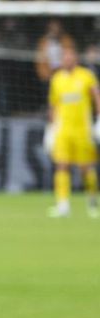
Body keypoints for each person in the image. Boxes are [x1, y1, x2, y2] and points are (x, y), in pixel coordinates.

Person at [45, 45, 100, 218]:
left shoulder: (86, 76)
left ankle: (92, 202)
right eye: (64, 57)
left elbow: (96, 96)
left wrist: (99, 118)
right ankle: (63, 205)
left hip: (82, 130)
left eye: (70, 56)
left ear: (75, 58)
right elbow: (54, 104)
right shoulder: (57, 79)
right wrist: (50, 127)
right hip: (63, 131)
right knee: (62, 165)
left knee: (86, 168)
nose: (67, 60)